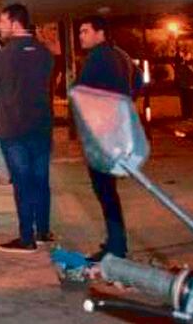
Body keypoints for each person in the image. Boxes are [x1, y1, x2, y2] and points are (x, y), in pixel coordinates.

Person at [0, 4, 55, 253]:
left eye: (3, 21)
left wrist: (8, 101)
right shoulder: (45, 53)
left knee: (22, 182)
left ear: (15, 23)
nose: (0, 26)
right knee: (41, 179)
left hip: (13, 127)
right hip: (41, 125)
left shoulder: (1, 57)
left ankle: (26, 237)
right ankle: (44, 230)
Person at [76, 15, 142, 261]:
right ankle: (116, 241)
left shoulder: (96, 59)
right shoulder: (121, 56)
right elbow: (138, 80)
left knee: (105, 191)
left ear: (100, 33)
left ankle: (116, 245)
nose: (81, 36)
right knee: (108, 191)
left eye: (85, 31)